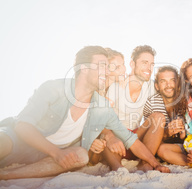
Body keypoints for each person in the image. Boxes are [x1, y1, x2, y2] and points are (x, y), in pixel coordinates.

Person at [0, 46, 169, 180]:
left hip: (47, 157)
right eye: (103, 66)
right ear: (84, 68)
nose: (108, 71)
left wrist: (155, 164)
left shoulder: (101, 105)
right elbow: (22, 126)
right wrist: (56, 153)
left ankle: (6, 176)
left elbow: (130, 139)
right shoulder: (53, 88)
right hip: (18, 141)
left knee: (81, 156)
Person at [99, 45, 166, 172]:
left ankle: (144, 163)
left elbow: (164, 103)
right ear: (132, 64)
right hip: (116, 137)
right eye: (144, 63)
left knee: (158, 117)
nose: (149, 68)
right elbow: (104, 117)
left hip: (136, 137)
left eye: (152, 64)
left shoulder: (150, 86)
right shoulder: (116, 86)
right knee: (108, 134)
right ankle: (117, 168)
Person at [143, 66, 187, 144]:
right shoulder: (152, 103)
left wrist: (184, 133)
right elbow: (147, 137)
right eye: (163, 81)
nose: (168, 85)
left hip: (184, 146)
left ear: (178, 83)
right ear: (157, 86)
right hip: (160, 145)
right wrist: (166, 133)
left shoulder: (186, 101)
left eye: (172, 80)